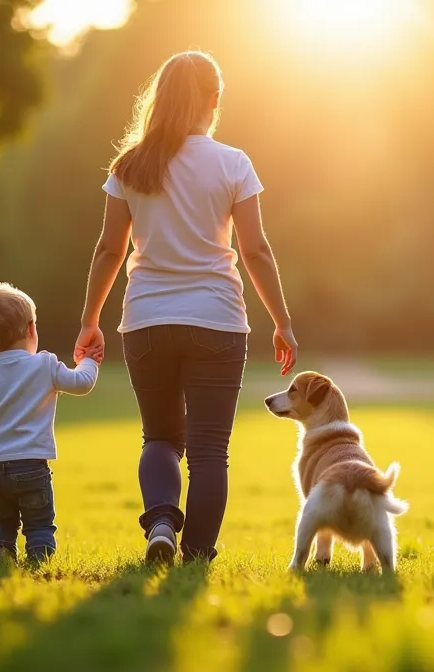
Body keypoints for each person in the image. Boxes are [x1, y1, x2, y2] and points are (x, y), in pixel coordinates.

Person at [73, 51, 298, 565]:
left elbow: (109, 249)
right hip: (217, 320)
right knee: (209, 450)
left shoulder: (129, 165)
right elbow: (256, 251)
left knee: (160, 438)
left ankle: (160, 523)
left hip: (146, 321)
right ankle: (196, 556)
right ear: (214, 101)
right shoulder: (233, 163)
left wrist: (90, 319)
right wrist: (282, 322)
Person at [0, 281, 101, 564]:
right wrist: (90, 360)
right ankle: (39, 562)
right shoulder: (45, 365)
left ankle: (2, 552)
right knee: (38, 523)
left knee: (1, 520)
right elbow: (82, 383)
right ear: (30, 329)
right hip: (31, 467)